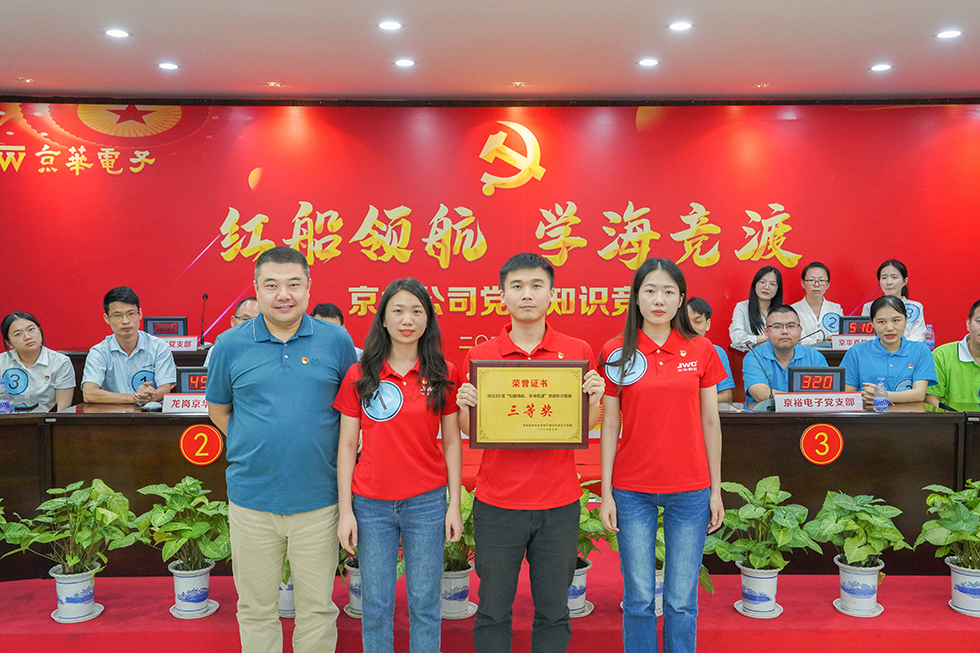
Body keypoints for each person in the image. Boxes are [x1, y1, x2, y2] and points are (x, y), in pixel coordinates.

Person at [206, 247, 358, 653]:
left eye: (293, 284)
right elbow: (219, 409)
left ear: (308, 287)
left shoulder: (336, 340)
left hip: (319, 501)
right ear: (257, 289)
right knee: (255, 609)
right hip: (252, 501)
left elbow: (352, 411)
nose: (283, 294)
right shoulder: (229, 344)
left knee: (317, 609)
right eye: (271, 285)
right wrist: (252, 443)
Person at [455, 252, 605, 653]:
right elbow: (470, 429)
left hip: (558, 503)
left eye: (537, 286)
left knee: (554, 611)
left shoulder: (577, 351)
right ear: (502, 294)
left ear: (551, 294)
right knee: (492, 611)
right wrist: (465, 405)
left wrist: (594, 398)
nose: (527, 294)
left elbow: (586, 424)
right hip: (497, 504)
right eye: (517, 286)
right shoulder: (482, 356)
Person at [598, 258, 725, 653]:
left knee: (682, 600)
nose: (659, 300)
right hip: (631, 490)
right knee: (638, 597)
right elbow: (609, 425)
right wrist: (606, 492)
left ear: (681, 299)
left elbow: (710, 421)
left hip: (690, 490)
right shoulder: (616, 351)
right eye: (650, 291)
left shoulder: (701, 349)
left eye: (669, 291)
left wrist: (716, 490)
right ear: (636, 298)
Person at [335, 279, 462, 653]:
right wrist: (346, 511)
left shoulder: (443, 373)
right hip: (371, 504)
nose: (408, 320)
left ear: (428, 320)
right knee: (375, 607)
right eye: (398, 311)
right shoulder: (360, 374)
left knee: (425, 604)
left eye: (417, 311)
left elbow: (452, 441)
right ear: (383, 319)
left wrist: (454, 504)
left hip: (426, 503)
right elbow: (346, 445)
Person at [81, 286, 176, 404]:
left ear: (139, 314)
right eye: (117, 315)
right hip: (113, 413)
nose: (125, 321)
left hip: (151, 412)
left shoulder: (159, 347)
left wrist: (149, 395)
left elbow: (165, 389)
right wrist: (133, 398)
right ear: (107, 318)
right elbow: (89, 393)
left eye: (130, 314)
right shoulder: (99, 352)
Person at [844, 295, 937, 408]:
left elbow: (919, 394)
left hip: (909, 417)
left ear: (906, 320)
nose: (889, 328)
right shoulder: (857, 351)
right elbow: (847, 394)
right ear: (872, 323)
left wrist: (882, 396)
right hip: (868, 415)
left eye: (896, 320)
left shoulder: (921, 351)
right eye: (881, 322)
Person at [742, 305, 828, 404]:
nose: (785, 332)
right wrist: (799, 400)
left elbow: (825, 395)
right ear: (766, 332)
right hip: (764, 413)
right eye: (777, 326)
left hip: (806, 413)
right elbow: (760, 394)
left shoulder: (815, 357)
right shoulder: (754, 357)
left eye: (791, 326)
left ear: (800, 330)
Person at [0, 312, 75, 412]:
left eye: (31, 329)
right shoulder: (2, 362)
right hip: (7, 420)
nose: (27, 337)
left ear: (39, 330)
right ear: (9, 343)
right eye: (18, 334)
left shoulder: (60, 362)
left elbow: (62, 410)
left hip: (46, 420)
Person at [926, 299, 980, 407]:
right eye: (979, 321)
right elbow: (930, 398)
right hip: (952, 418)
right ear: (968, 324)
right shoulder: (942, 356)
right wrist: (956, 416)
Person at [861, 259, 927, 342]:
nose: (889, 282)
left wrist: (896, 347)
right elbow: (867, 337)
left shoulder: (915, 307)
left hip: (908, 349)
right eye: (884, 278)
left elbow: (918, 336)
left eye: (894, 277)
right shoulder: (869, 307)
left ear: (904, 281)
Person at [686, 298, 735, 403]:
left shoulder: (717, 352)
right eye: (686, 322)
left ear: (707, 324)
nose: (691, 328)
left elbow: (726, 396)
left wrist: (692, 401)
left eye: (698, 322)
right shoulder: (668, 351)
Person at [729, 266, 782, 352]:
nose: (766, 287)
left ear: (778, 288)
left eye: (772, 284)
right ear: (755, 284)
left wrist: (757, 342)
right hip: (750, 356)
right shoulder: (742, 307)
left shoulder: (784, 310)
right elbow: (737, 337)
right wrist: (767, 337)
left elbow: (791, 338)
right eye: (762, 282)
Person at [791, 262, 843, 345]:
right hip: (803, 351)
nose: (816, 285)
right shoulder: (793, 310)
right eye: (811, 280)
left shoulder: (836, 308)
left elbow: (841, 335)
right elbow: (795, 338)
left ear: (828, 284)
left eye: (821, 280)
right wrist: (821, 342)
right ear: (803, 283)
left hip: (831, 352)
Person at [203, 296, 259, 366]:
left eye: (257, 320)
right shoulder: (219, 349)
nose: (251, 324)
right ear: (233, 321)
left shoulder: (269, 349)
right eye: (245, 319)